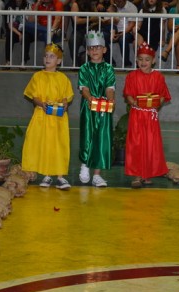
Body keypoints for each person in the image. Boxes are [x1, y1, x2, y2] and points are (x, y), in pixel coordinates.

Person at [22, 43, 74, 190]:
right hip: (42, 116)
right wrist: (41, 103)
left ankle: (60, 176)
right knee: (43, 144)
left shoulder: (63, 78)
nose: (47, 59)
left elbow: (66, 96)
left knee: (58, 145)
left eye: (52, 56)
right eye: (46, 56)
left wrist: (64, 104)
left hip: (57, 119)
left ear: (58, 61)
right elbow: (33, 96)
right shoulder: (37, 76)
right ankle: (46, 175)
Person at [123, 42, 171, 188]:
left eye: (147, 59)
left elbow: (162, 95)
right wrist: (133, 102)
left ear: (153, 61)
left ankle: (147, 173)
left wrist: (158, 104)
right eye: (140, 59)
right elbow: (128, 94)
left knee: (151, 144)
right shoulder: (132, 76)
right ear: (136, 60)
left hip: (151, 117)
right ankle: (137, 175)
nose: (143, 62)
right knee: (136, 144)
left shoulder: (158, 77)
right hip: (137, 116)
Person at [78, 30, 116, 187]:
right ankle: (85, 165)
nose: (94, 51)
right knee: (87, 136)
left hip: (103, 108)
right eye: (91, 48)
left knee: (102, 138)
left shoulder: (108, 69)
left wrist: (110, 98)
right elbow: (84, 88)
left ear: (104, 50)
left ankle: (97, 174)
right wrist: (89, 98)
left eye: (98, 47)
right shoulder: (84, 68)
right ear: (87, 51)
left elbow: (109, 87)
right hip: (88, 108)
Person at [103, 0, 137, 67]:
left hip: (127, 32)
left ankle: (126, 64)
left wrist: (122, 33)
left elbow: (132, 24)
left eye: (120, 1)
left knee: (123, 38)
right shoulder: (113, 7)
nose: (118, 3)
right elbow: (106, 21)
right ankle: (110, 63)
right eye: (116, 1)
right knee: (102, 36)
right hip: (113, 31)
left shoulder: (132, 7)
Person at [68, 0, 98, 66]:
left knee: (92, 40)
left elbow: (96, 17)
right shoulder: (75, 5)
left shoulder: (92, 4)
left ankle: (90, 63)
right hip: (78, 30)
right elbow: (77, 21)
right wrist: (90, 19)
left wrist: (95, 21)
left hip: (91, 29)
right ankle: (75, 63)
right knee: (72, 41)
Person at [3, 0, 31, 69]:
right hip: (15, 30)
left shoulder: (28, 5)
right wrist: (19, 34)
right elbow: (9, 25)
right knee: (9, 36)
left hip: (26, 29)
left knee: (26, 37)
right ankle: (8, 62)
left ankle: (23, 62)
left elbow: (31, 22)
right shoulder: (9, 7)